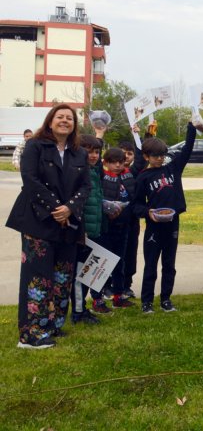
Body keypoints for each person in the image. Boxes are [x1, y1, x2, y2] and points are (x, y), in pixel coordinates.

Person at [7, 104, 91, 349]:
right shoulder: (35, 145)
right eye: (60, 117)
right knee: (38, 276)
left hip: (68, 223)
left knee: (63, 276)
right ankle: (30, 334)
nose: (65, 121)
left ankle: (51, 326)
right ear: (50, 121)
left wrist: (70, 209)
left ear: (74, 125)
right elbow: (30, 179)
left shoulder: (79, 153)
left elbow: (86, 186)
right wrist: (57, 208)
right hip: (38, 221)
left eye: (70, 118)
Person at [131, 122, 200, 314]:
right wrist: (148, 213)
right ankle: (146, 302)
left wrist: (191, 127)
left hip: (172, 223)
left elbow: (187, 149)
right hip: (153, 226)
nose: (160, 159)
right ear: (146, 157)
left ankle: (166, 299)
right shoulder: (143, 177)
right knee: (151, 265)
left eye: (162, 155)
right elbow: (136, 204)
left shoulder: (173, 169)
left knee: (169, 264)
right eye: (155, 156)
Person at [71, 134, 108, 323]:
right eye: (88, 151)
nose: (93, 156)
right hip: (82, 232)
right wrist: (81, 230)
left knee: (87, 273)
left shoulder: (93, 171)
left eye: (96, 152)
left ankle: (83, 308)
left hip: (95, 230)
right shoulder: (78, 173)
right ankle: (77, 312)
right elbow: (78, 205)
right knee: (79, 274)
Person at [97, 147, 137, 309]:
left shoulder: (128, 175)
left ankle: (118, 296)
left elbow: (140, 159)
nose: (118, 165)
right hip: (106, 226)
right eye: (113, 162)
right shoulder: (102, 176)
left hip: (124, 226)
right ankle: (97, 298)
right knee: (102, 262)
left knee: (120, 262)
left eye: (121, 162)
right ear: (105, 163)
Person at [118, 140, 140, 300]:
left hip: (131, 221)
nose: (126, 156)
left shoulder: (134, 172)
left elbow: (142, 159)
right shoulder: (107, 173)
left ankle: (127, 285)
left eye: (129, 153)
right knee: (114, 254)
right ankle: (109, 286)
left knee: (130, 254)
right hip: (112, 222)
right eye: (122, 152)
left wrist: (138, 136)